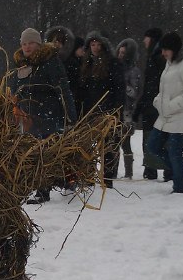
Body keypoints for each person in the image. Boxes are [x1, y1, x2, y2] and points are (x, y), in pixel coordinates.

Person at [8, 27, 76, 203]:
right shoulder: (21, 65)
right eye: (24, 43)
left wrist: (70, 117)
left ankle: (65, 181)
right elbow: (14, 91)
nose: (27, 47)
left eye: (31, 43)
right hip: (28, 118)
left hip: (49, 115)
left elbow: (63, 90)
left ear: (38, 44)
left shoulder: (50, 61)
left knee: (51, 152)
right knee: (35, 154)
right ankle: (43, 189)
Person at [146, 31, 183, 194]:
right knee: (152, 146)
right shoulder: (170, 63)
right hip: (165, 116)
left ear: (174, 49)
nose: (163, 53)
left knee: (174, 152)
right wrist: (158, 101)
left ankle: (179, 190)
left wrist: (172, 105)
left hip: (182, 116)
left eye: (165, 50)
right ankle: (182, 169)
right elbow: (164, 89)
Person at [75, 31, 125, 187]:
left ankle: (107, 179)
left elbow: (119, 88)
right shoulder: (86, 64)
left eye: (98, 44)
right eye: (92, 44)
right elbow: (82, 89)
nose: (95, 48)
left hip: (108, 110)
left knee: (109, 146)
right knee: (88, 146)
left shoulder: (112, 63)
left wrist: (116, 109)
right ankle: (89, 177)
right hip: (90, 111)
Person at [133, 27, 167, 180]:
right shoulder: (154, 56)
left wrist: (144, 105)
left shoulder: (158, 57)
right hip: (152, 104)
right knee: (156, 138)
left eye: (146, 38)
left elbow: (152, 86)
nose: (144, 41)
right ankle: (154, 169)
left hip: (155, 106)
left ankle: (154, 169)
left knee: (153, 139)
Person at [116, 38, 141, 179]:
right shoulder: (116, 67)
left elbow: (135, 92)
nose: (120, 55)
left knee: (125, 142)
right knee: (114, 141)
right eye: (119, 52)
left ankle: (128, 172)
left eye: (123, 53)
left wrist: (122, 85)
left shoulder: (133, 71)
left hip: (127, 111)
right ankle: (112, 171)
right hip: (115, 109)